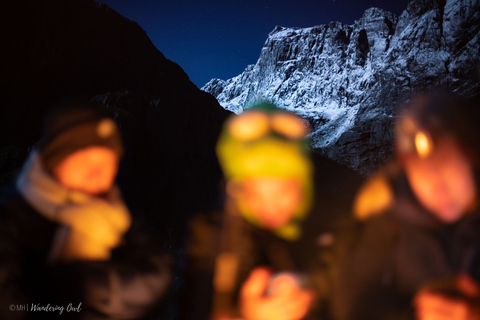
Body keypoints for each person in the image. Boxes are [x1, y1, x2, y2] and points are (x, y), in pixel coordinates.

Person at [181, 101, 363, 320]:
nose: (270, 205)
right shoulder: (214, 239)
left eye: (283, 191)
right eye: (255, 193)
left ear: (302, 184)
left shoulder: (336, 229)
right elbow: (196, 306)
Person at [0, 100, 171, 320]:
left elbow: (157, 278)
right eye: (86, 160)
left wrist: (87, 288)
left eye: (108, 161)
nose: (98, 172)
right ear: (55, 160)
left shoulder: (118, 214)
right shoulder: (11, 214)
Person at [326, 92, 480, 320]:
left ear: (471, 160)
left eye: (448, 166)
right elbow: (353, 302)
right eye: (422, 176)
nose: (438, 188)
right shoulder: (389, 218)